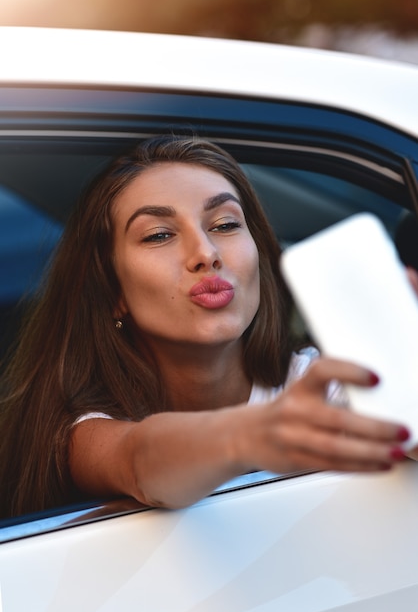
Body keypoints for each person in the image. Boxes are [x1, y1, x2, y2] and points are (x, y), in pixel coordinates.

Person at [0, 134, 413, 518]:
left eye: (225, 224)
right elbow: (139, 460)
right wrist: (250, 436)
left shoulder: (328, 382)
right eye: (159, 235)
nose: (206, 252)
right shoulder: (81, 431)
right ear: (113, 293)